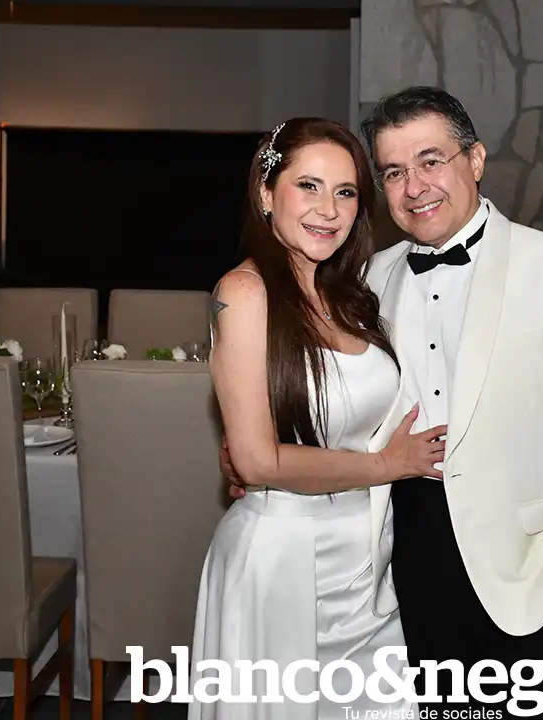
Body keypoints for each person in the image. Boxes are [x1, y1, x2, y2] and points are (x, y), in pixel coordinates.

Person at [223, 88, 543, 719]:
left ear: (476, 160)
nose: (414, 186)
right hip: (407, 556)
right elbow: (332, 394)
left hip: (528, 564)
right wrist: (255, 452)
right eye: (393, 172)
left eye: (431, 160)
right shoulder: (368, 279)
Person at [187, 118, 447, 720]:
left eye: (346, 191)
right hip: (285, 560)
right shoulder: (244, 292)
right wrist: (386, 465)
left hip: (365, 559)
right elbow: (257, 460)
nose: (329, 209)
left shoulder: (349, 293)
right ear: (266, 193)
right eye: (309, 186)